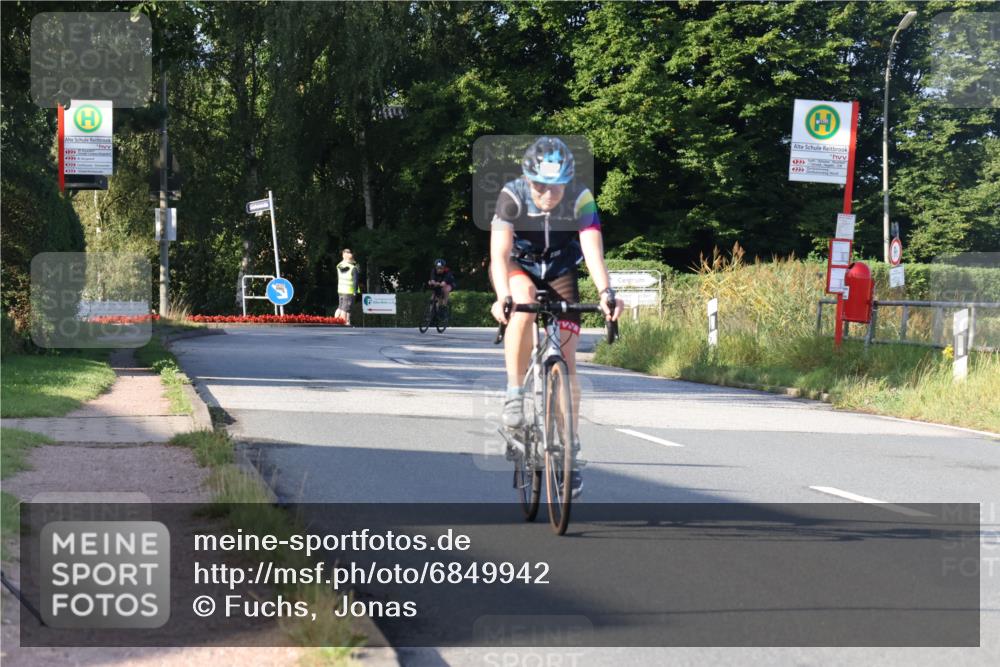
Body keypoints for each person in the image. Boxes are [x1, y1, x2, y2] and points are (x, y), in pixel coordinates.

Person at [489, 136, 623, 497]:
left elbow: (593, 252)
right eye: (541, 186)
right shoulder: (511, 196)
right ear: (528, 179)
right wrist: (502, 295)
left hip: (561, 269)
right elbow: (499, 254)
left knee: (567, 359)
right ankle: (515, 394)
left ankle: (569, 449)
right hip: (520, 267)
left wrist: (606, 293)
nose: (549, 194)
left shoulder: (581, 198)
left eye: (556, 186)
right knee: (523, 302)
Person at [334, 248, 360, 325]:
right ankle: (343, 323)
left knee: (340, 307)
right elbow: (355, 281)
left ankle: (338, 321)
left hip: (341, 290)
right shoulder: (353, 268)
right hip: (349, 291)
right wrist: (355, 291)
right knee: (345, 309)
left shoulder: (339, 265)